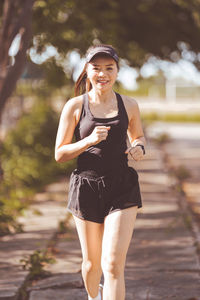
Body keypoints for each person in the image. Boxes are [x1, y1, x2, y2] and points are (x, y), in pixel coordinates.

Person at [55, 44, 146, 300]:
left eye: (109, 68)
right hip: (86, 187)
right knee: (91, 265)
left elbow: (138, 136)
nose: (102, 74)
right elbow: (59, 154)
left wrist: (139, 147)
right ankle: (95, 296)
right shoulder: (74, 107)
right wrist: (88, 141)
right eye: (96, 68)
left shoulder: (129, 104)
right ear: (87, 70)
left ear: (117, 71)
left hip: (122, 186)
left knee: (114, 265)